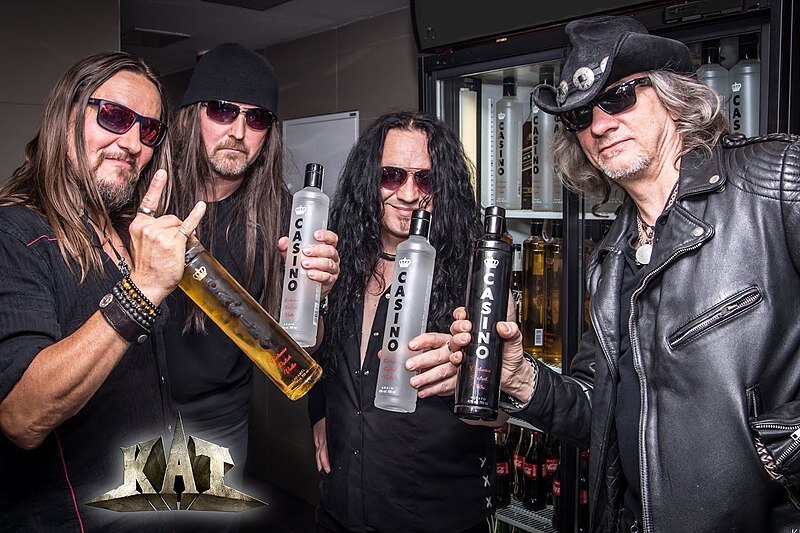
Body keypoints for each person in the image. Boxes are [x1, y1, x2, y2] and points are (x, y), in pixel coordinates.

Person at [429, 15, 800, 533]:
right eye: (580, 115)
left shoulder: (773, 180)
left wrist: (781, 457)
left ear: (672, 96)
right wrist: (517, 376)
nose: (599, 125)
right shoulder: (611, 259)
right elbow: (593, 411)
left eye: (619, 97)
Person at [0, 52, 205, 531]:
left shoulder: (127, 230)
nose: (132, 143)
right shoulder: (15, 233)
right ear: (67, 116)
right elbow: (21, 416)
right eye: (114, 116)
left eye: (149, 130)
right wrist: (143, 289)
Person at [166, 41, 339, 520]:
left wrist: (315, 297)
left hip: (216, 418)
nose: (238, 131)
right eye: (223, 111)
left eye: (256, 117)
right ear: (193, 115)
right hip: (131, 405)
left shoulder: (282, 213)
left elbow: (302, 345)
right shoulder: (151, 191)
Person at [308, 110, 497, 532]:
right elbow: (322, 359)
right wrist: (319, 412)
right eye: (391, 176)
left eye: (424, 179)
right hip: (340, 509)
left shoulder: (478, 275)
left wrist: (469, 380)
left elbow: (499, 413)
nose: (409, 194)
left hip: (434, 517)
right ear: (368, 180)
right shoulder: (339, 260)